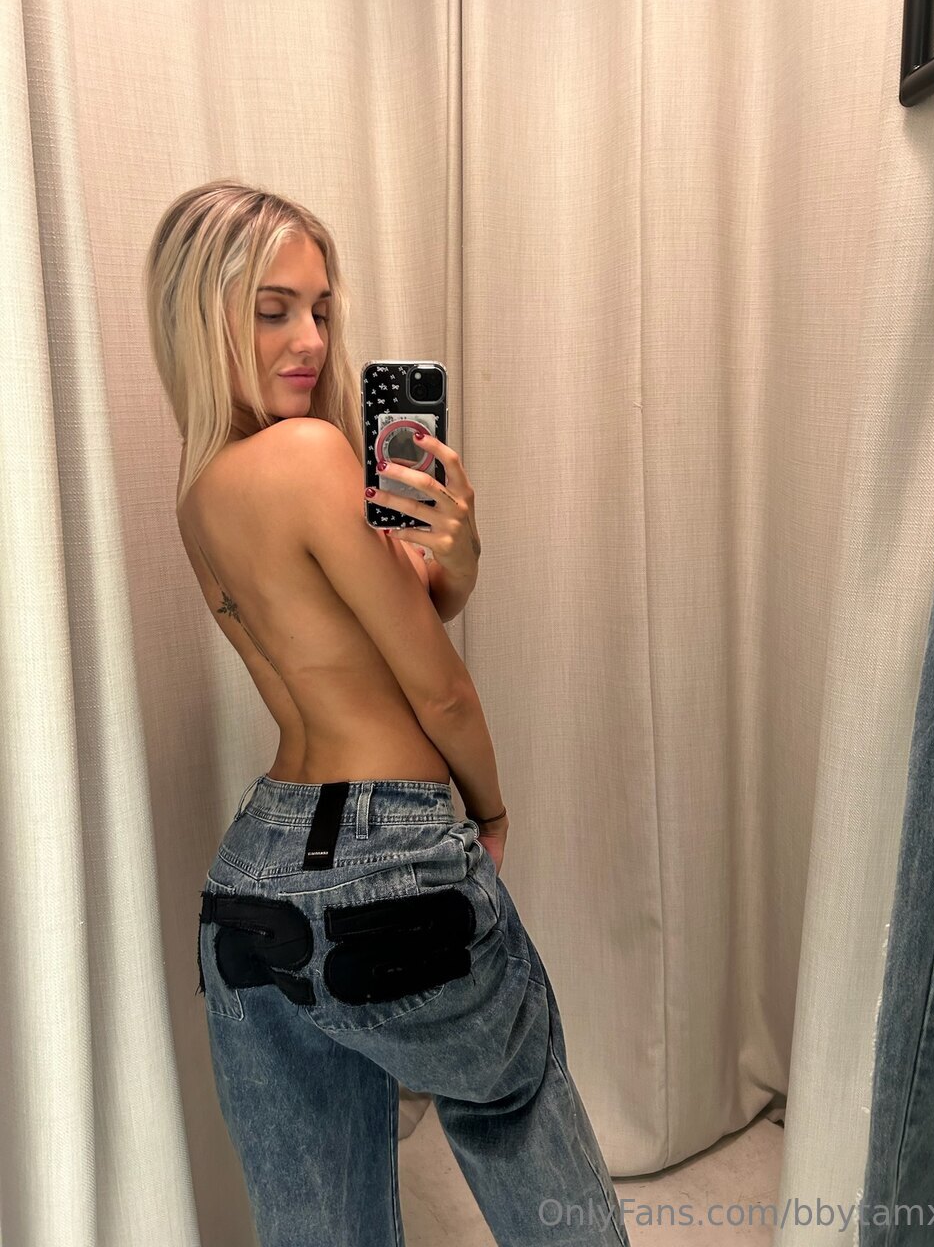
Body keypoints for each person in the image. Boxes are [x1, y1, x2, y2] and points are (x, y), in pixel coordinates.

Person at [143, 179, 629, 1247]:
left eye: (320, 308)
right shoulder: (316, 453)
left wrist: (454, 562)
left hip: (252, 887)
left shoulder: (200, 496)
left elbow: (345, 649)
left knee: (320, 1220)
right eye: (273, 310)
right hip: (391, 858)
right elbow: (436, 686)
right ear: (201, 315)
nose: (312, 340)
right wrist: (490, 809)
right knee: (513, 1102)